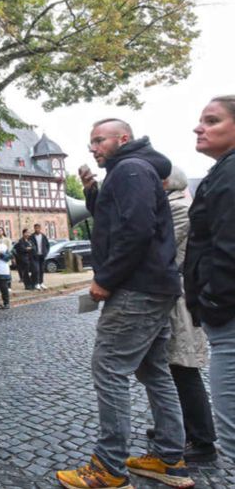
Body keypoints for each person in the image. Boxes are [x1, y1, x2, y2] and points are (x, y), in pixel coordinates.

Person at [56, 119, 190, 489]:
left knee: (110, 370)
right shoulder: (133, 169)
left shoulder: (130, 170)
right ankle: (169, 459)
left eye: (99, 140)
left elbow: (136, 231)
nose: (93, 148)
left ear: (123, 139)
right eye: (91, 142)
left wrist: (106, 278)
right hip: (155, 286)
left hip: (136, 288)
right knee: (154, 371)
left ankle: (108, 468)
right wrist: (92, 192)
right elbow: (118, 219)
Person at [184, 96, 235, 465]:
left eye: (212, 120)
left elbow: (227, 245)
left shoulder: (230, 175)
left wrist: (213, 301)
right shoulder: (224, 172)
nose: (199, 127)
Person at [156, 166, 216, 463]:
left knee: (184, 367)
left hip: (180, 298)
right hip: (173, 296)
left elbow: (162, 247)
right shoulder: (172, 205)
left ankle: (203, 440)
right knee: (171, 367)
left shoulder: (179, 209)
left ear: (167, 182)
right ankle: (177, 428)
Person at [30, 223, 51, 290]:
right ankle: (37, 283)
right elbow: (30, 246)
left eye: (38, 228)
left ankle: (41, 282)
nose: (37, 229)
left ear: (40, 228)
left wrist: (46, 252)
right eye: (36, 228)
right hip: (35, 256)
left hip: (42, 255)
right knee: (36, 270)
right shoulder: (32, 237)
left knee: (41, 269)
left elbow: (47, 245)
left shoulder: (43, 236)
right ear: (34, 228)